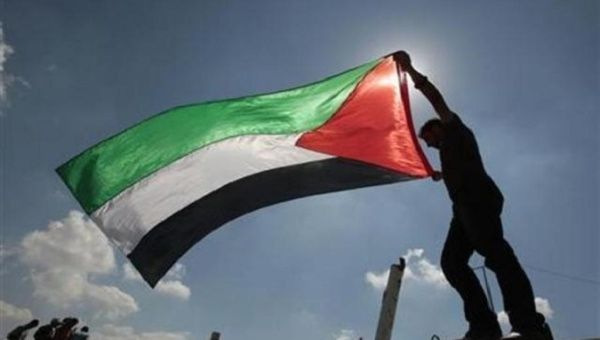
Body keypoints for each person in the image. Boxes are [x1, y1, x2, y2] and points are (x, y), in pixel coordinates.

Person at [393, 51, 552, 340]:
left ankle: (529, 324)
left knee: (496, 253)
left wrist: (411, 70)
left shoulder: (456, 131)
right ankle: (484, 326)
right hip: (462, 208)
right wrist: (436, 174)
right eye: (427, 143)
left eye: (429, 137)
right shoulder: (447, 154)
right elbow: (451, 170)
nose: (429, 144)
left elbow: (435, 99)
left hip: (478, 198)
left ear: (440, 127)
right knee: (452, 262)